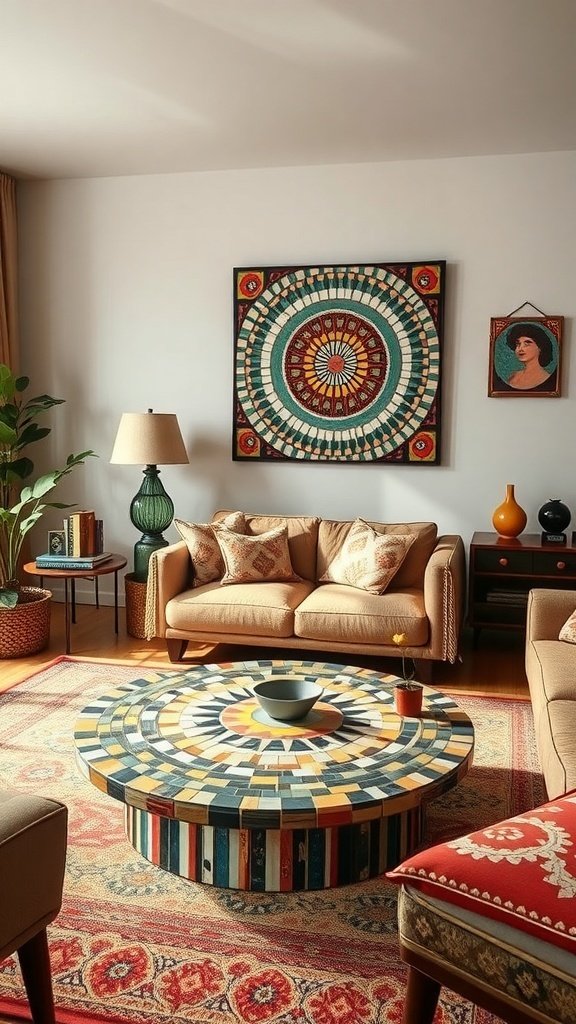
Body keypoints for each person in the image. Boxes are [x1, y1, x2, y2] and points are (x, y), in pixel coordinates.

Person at [505, 323, 554, 390]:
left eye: (527, 344)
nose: (520, 348)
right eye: (518, 344)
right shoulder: (514, 376)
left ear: (540, 347)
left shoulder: (545, 378)